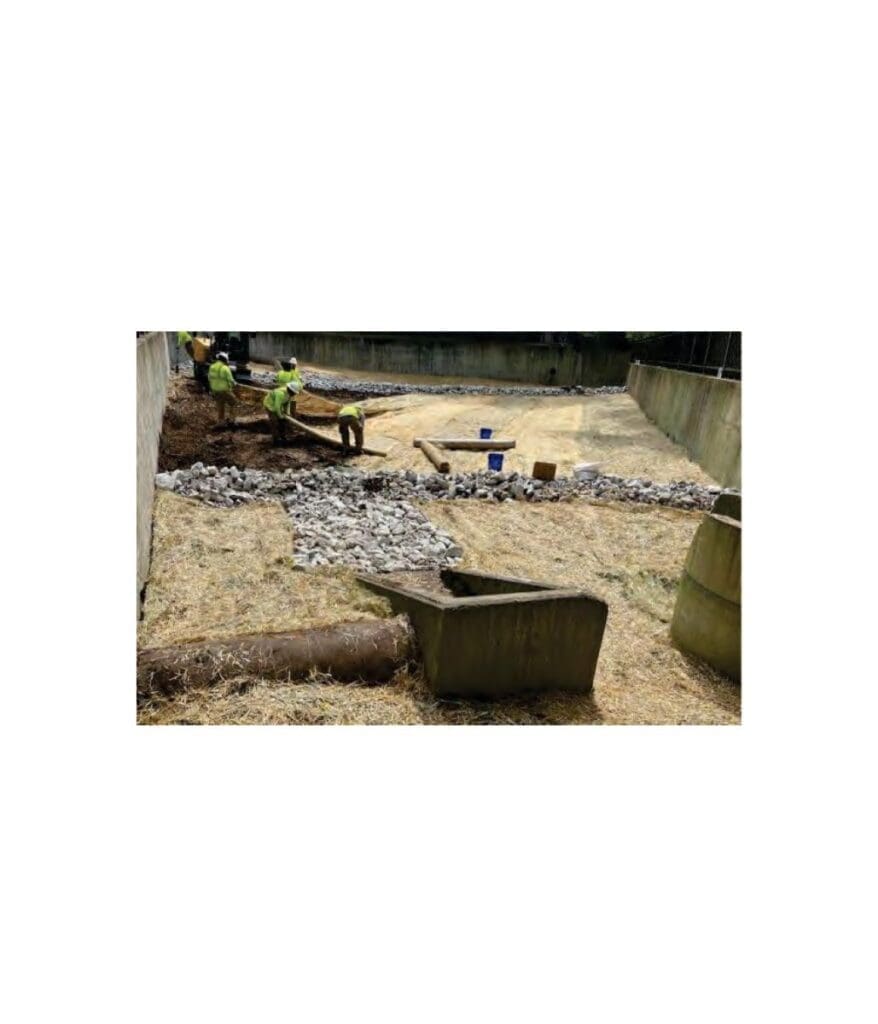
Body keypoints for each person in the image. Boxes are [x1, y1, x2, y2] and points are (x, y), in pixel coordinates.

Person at [264, 381, 300, 445]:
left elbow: (287, 404)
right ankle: (276, 440)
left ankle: (283, 436)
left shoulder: (290, 395)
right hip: (270, 405)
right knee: (275, 422)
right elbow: (277, 406)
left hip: (278, 405)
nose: (294, 394)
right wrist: (280, 416)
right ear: (290, 390)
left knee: (283, 422)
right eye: (294, 392)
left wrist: (287, 413)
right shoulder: (280, 393)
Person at [207, 352, 237, 426]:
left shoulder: (212, 367)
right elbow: (231, 380)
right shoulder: (225, 368)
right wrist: (235, 384)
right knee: (233, 402)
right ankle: (232, 420)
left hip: (215, 391)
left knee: (221, 405)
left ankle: (221, 421)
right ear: (225, 360)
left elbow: (209, 378)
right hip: (224, 390)